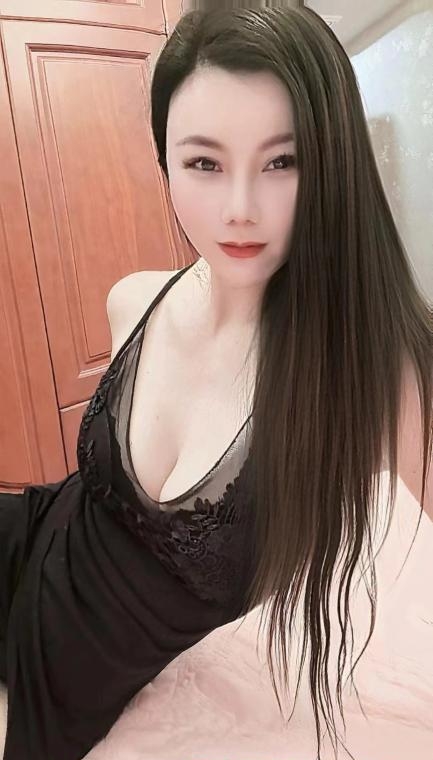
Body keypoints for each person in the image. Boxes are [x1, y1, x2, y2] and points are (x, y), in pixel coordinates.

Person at [0, 5, 432, 759]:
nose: (239, 210)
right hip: (27, 545)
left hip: (65, 681)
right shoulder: (134, 299)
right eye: (203, 163)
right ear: (164, 162)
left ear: (333, 164)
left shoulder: (379, 374)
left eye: (282, 162)